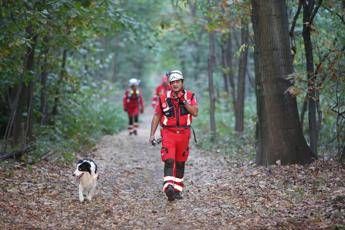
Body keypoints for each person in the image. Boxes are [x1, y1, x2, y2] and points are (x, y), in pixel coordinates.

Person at [149, 70, 198, 201]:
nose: (175, 84)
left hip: (184, 133)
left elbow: (195, 112)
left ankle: (177, 190)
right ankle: (168, 187)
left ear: (182, 82)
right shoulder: (164, 97)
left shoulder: (190, 96)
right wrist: (152, 135)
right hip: (168, 132)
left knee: (181, 162)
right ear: (169, 84)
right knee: (169, 159)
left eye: (178, 82)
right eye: (173, 82)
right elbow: (157, 115)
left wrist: (184, 101)